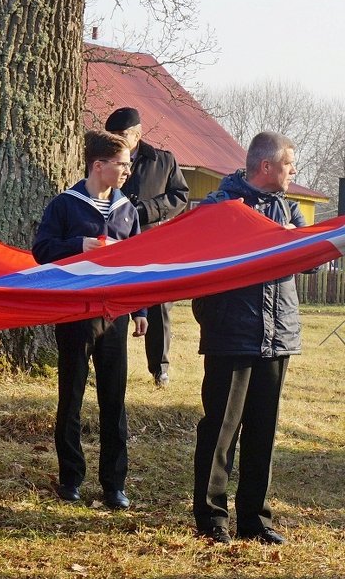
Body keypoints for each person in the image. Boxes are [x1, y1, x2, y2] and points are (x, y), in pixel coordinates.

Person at [191, 132, 302, 546]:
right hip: (230, 333)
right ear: (267, 166)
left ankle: (255, 518)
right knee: (221, 429)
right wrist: (275, 236)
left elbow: (305, 258)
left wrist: (286, 235)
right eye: (290, 164)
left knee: (263, 430)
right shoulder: (219, 206)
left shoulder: (290, 208)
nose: (294, 172)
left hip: (279, 334)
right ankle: (212, 517)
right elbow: (206, 253)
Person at [32, 130, 148, 509]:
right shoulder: (65, 205)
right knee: (72, 398)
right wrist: (76, 246)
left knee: (114, 401)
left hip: (113, 315)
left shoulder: (127, 210)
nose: (128, 170)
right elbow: (41, 251)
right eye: (123, 164)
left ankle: (114, 484)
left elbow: (138, 266)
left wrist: (141, 311)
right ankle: (71, 479)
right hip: (75, 315)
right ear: (99, 166)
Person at [104, 107, 190, 388]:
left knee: (158, 308)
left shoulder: (164, 161)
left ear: (138, 135)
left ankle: (160, 368)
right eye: (112, 135)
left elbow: (180, 196)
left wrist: (144, 211)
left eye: (122, 135)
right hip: (115, 244)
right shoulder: (104, 160)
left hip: (153, 243)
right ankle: (108, 365)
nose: (116, 139)